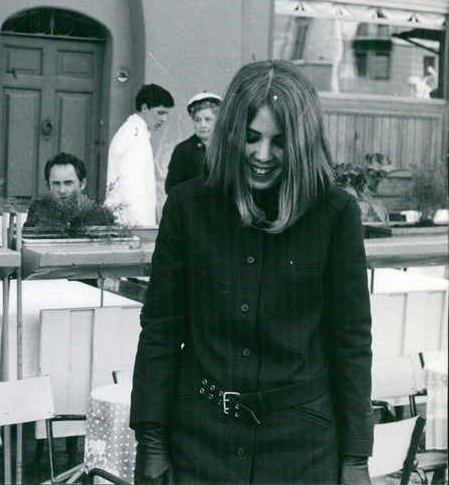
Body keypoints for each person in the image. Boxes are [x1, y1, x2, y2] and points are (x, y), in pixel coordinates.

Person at [130, 60, 373, 484]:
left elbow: (350, 341)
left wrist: (356, 458)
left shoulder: (335, 213)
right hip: (199, 442)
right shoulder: (188, 208)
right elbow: (161, 332)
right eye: (251, 138)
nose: (263, 155)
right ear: (230, 135)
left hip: (302, 450)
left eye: (279, 142)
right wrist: (151, 441)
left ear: (302, 143)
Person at [106, 84, 174, 226]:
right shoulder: (135, 139)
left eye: (167, 113)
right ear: (144, 108)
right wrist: (142, 231)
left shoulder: (133, 132)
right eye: (160, 113)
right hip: (131, 226)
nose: (164, 119)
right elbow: (132, 191)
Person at [164, 92, 220, 194]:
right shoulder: (183, 149)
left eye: (208, 120)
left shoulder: (225, 148)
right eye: (197, 120)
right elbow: (171, 187)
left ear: (217, 121)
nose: (202, 125)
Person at [24, 151, 97, 227]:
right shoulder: (39, 211)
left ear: (82, 184)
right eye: (56, 183)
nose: (62, 190)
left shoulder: (96, 214)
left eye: (68, 183)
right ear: (48, 185)